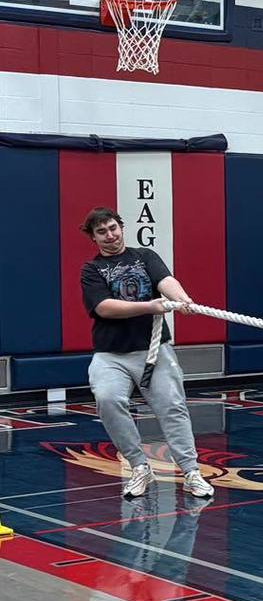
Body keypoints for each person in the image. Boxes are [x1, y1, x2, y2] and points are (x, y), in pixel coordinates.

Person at [79, 207, 214, 500]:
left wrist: (181, 299)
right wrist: (151, 306)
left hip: (154, 351)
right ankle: (139, 467)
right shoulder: (91, 270)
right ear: (93, 237)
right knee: (108, 399)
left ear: (121, 227)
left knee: (172, 407)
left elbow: (166, 281)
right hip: (111, 354)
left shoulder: (145, 256)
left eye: (113, 227)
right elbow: (104, 307)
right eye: (101, 231)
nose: (110, 235)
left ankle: (191, 472)